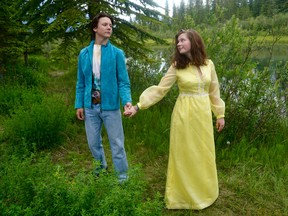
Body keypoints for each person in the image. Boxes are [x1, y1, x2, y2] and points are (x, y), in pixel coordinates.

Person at [124, 29, 225, 209]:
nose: (178, 44)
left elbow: (214, 91)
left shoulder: (209, 64)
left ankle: (205, 193)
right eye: (177, 42)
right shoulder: (177, 66)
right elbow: (160, 90)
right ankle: (182, 198)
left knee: (203, 153)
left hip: (202, 116)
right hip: (184, 115)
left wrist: (220, 114)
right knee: (185, 154)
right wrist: (139, 106)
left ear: (193, 41)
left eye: (182, 40)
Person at [75, 12, 132, 183]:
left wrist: (127, 101)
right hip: (90, 107)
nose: (109, 27)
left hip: (110, 107)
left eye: (111, 25)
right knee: (93, 143)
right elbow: (81, 82)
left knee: (117, 145)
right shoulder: (84, 54)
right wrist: (79, 104)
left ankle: (122, 178)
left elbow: (123, 82)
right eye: (105, 24)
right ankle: (100, 170)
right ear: (95, 28)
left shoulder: (117, 53)